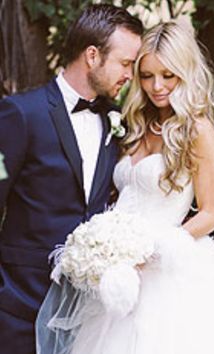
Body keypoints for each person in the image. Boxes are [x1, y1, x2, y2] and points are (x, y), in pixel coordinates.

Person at [36, 20, 214, 354]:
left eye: (168, 75)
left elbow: (211, 214)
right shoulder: (134, 125)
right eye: (147, 75)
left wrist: (148, 253)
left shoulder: (198, 131)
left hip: (164, 275)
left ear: (185, 73)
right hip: (116, 272)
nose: (157, 86)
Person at [0, 4, 143, 354]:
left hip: (87, 315)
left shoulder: (115, 121)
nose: (130, 75)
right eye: (125, 64)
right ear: (92, 56)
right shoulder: (20, 113)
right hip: (18, 304)